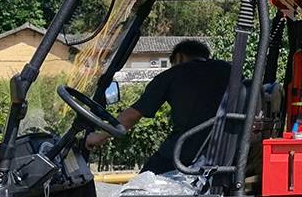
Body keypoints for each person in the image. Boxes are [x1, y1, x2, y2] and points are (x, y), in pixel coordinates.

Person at [85, 39, 231, 177]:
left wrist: (99, 136)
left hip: (184, 156)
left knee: (136, 192)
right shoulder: (229, 71)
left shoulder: (173, 75)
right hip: (226, 156)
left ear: (179, 57)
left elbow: (132, 116)